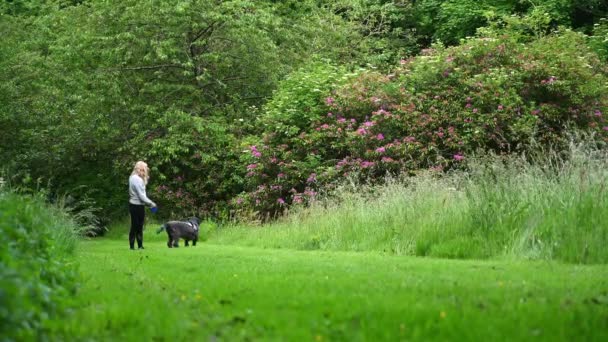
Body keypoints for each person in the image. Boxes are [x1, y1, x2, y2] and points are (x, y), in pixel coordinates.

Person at [128, 161, 156, 250]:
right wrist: (152, 204)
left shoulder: (133, 177)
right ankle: (134, 246)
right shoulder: (136, 179)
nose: (146, 170)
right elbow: (141, 195)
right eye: (145, 168)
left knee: (138, 226)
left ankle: (138, 246)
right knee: (136, 226)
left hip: (137, 205)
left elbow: (142, 194)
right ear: (140, 168)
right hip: (136, 206)